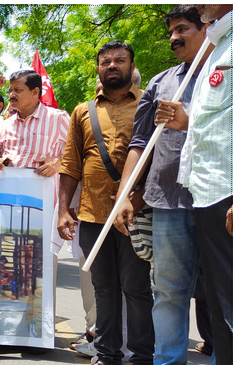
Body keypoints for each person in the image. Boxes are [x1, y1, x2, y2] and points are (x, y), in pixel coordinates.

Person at [110, 6, 211, 364]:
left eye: (182, 29)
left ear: (208, 28)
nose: (173, 38)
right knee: (168, 291)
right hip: (167, 201)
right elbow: (139, 144)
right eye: (170, 31)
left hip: (215, 201)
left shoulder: (225, 76)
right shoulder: (160, 82)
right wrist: (125, 195)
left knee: (220, 291)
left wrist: (189, 122)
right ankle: (168, 360)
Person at [58, 41, 153, 365]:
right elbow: (70, 164)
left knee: (136, 289)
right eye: (106, 61)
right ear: (98, 67)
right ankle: (107, 353)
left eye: (119, 60)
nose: (112, 66)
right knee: (104, 288)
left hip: (134, 215)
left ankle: (142, 355)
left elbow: (158, 159)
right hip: (92, 215)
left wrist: (137, 199)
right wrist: (63, 210)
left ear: (131, 65)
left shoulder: (148, 104)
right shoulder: (83, 112)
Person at [156, 5, 233, 364]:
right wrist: (187, 122)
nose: (175, 38)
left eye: (182, 29)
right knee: (220, 305)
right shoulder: (220, 48)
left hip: (227, 197)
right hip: (204, 196)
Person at [0, 70, 69, 176]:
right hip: (8, 189)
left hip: (43, 190)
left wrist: (59, 160)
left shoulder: (58, 118)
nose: (11, 95)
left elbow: (78, 151)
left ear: (35, 92)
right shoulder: (5, 125)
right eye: (10, 91)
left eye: (17, 90)